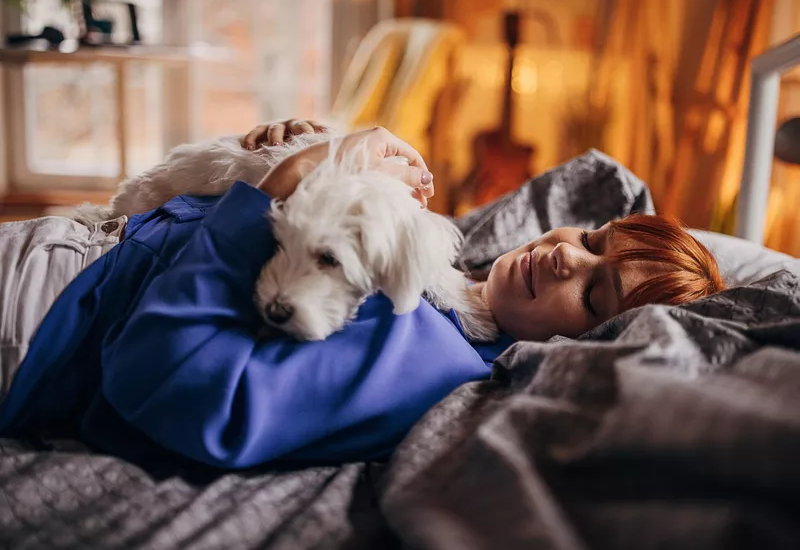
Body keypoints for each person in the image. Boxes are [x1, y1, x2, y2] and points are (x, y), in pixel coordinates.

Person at [0, 121, 724, 469]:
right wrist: (283, 152)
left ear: (589, 347)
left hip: (49, 311)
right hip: (79, 248)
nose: (565, 254)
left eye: (595, 295)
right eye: (592, 238)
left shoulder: (429, 350)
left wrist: (273, 190)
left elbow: (172, 381)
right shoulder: (454, 279)